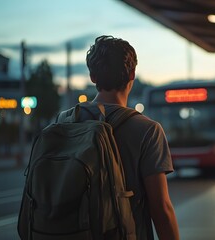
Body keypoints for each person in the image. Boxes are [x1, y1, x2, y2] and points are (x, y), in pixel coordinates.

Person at [84, 35, 179, 240]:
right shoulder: (148, 130)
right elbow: (161, 208)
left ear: (92, 76)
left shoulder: (63, 123)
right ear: (132, 74)